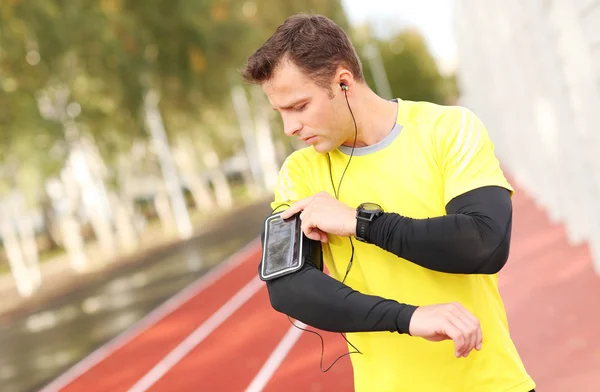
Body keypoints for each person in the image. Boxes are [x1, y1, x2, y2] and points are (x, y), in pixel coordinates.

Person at [242, 13, 536, 392]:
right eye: (280, 113)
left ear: (343, 82)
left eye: (299, 107)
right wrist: (410, 318)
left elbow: (484, 242)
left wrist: (360, 223)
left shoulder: (448, 129)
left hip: (493, 382)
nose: (289, 128)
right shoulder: (299, 174)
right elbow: (288, 287)